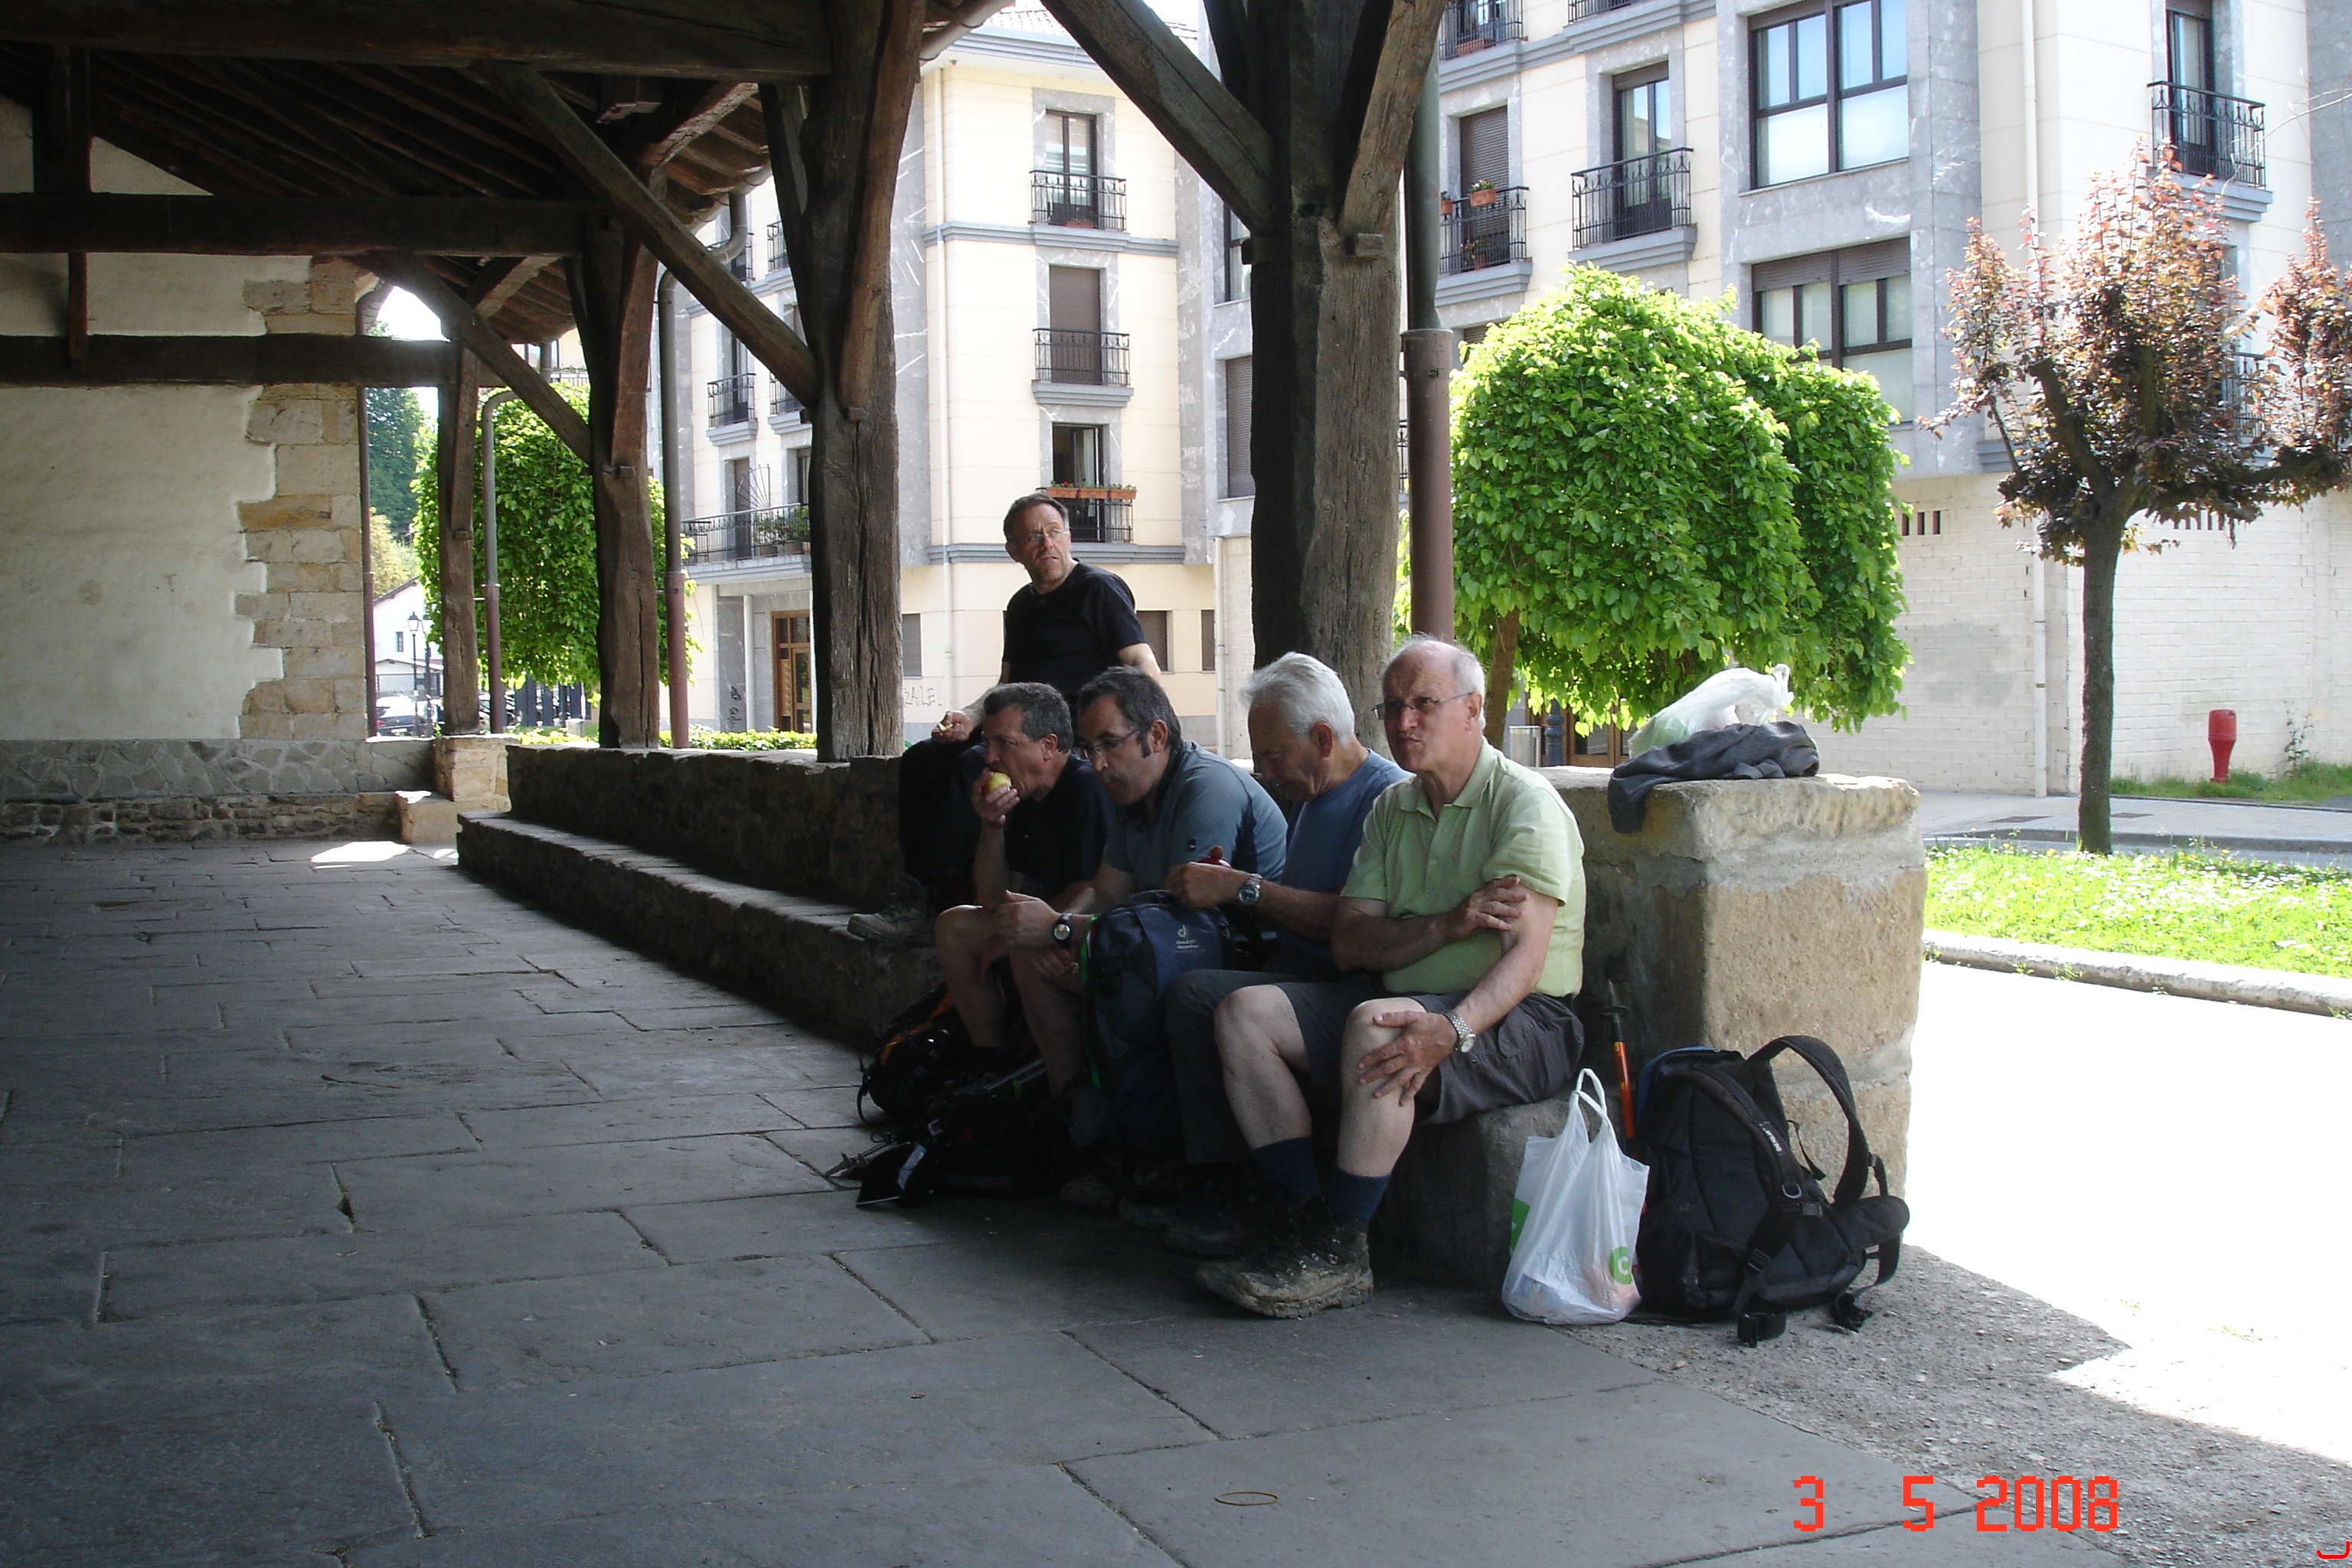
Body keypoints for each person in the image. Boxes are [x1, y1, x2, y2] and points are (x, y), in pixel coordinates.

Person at [1194, 635, 1587, 1319]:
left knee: (1378, 1026)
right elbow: (1351, 942)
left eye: (1424, 704)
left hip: (1522, 1018)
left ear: (1474, 710)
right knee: (1245, 1014)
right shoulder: (1393, 808)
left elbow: (1523, 961)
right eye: (1393, 707)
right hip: (1403, 992)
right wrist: (1449, 924)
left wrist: (1453, 1028)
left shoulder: (1523, 803)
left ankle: (1343, 1250)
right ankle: (1303, 1222)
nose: (1404, 722)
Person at [1137, 653, 1407, 1251]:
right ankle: (1211, 1173)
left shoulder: (1383, 797)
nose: (1265, 771)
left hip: (1350, 986)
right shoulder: (1309, 795)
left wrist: (1245, 888)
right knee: (1174, 980)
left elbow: (1352, 926)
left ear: (1323, 739)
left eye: (1275, 756)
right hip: (1295, 971)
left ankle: (1284, 1201)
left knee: (1200, 996)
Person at [853, 493, 1161, 943]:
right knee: (924, 758)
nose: (1046, 544)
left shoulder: (1099, 588)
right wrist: (969, 715)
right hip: (1017, 721)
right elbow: (1006, 683)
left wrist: (1147, 733)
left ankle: (938, 901)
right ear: (1014, 551)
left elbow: (1140, 661)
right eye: (1033, 537)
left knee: (972, 766)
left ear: (1068, 537)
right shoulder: (1021, 606)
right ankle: (917, 892)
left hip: (1067, 735)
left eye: (1053, 532)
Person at [991, 665, 1287, 1099]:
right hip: (1171, 945)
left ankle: (1120, 1114)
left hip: (1241, 956)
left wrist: (1060, 928)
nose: (1098, 764)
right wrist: (1057, 932)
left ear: (1157, 736)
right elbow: (1105, 891)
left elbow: (1179, 924)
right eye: (1090, 748)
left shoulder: (1206, 788)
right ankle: (1071, 1105)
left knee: (1083, 963)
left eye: (1110, 744)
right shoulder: (1133, 793)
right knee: (1032, 955)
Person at [930, 684, 1116, 1060]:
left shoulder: (1084, 787)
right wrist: (992, 825)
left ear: (1048, 746)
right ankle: (990, 1058)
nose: (990, 758)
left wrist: (1018, 934)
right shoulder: (1025, 793)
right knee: (954, 926)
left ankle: (1061, 1077)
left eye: (1004, 743)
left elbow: (1094, 888)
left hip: (1085, 926)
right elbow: (991, 898)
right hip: (1040, 920)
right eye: (988, 743)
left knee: (1028, 953)